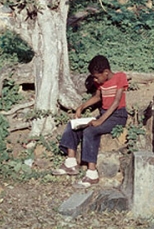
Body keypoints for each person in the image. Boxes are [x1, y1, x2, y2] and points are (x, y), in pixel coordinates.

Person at [52, 55, 129, 188]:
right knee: (73, 124)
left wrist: (100, 121)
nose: (94, 79)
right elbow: (98, 97)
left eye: (96, 76)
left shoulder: (120, 77)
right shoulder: (100, 82)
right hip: (104, 114)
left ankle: (92, 173)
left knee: (91, 130)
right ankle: (71, 163)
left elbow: (116, 102)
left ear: (105, 72)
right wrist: (82, 107)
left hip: (117, 116)